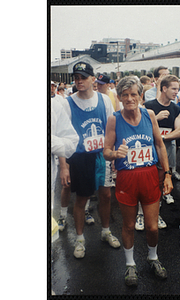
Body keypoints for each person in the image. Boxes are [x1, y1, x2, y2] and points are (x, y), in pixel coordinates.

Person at [103, 76, 173, 286]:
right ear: (120, 97)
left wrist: (167, 174)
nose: (129, 99)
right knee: (129, 224)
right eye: (125, 95)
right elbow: (105, 151)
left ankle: (153, 258)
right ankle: (130, 264)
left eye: (134, 94)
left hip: (150, 175)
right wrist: (115, 154)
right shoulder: (114, 119)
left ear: (141, 96)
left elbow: (160, 145)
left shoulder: (149, 114)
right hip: (127, 179)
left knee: (152, 227)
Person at [58, 61, 121, 259]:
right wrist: (63, 166)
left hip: (101, 156)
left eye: (83, 77)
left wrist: (113, 157)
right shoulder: (67, 103)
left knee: (106, 196)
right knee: (82, 199)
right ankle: (80, 239)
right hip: (80, 157)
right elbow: (60, 136)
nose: (79, 81)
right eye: (76, 77)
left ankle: (105, 232)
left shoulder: (104, 100)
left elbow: (111, 130)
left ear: (93, 79)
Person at [145, 75, 180, 206]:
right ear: (164, 88)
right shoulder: (148, 106)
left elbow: (179, 131)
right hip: (149, 148)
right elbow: (139, 127)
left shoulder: (176, 108)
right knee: (147, 181)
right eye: (174, 88)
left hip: (167, 147)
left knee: (163, 179)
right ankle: (141, 212)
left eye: (178, 89)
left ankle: (158, 208)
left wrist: (162, 137)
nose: (177, 92)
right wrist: (155, 118)